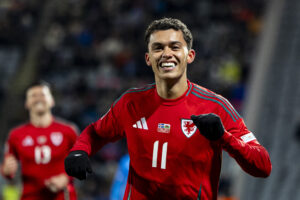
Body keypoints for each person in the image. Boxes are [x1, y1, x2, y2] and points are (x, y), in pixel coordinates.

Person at [64, 18, 272, 199]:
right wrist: (79, 150)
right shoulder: (131, 103)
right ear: (148, 58)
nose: (166, 54)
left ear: (190, 55)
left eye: (174, 47)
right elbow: (95, 132)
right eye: (158, 48)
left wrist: (224, 137)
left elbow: (262, 165)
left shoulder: (216, 107)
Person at [1, 81, 78, 200]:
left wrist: (66, 177)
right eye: (33, 95)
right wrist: (5, 171)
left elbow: (82, 164)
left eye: (43, 95)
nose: (38, 98)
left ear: (52, 101)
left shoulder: (68, 131)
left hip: (62, 196)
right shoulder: (16, 135)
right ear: (26, 103)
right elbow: (9, 172)